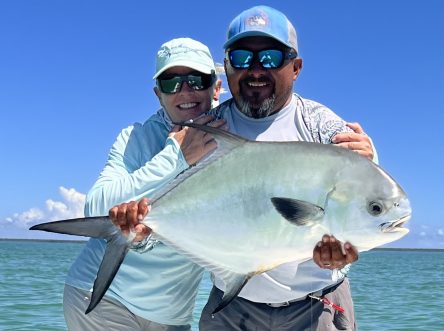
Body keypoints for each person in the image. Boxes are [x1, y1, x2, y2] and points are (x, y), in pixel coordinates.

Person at [114, 5, 377, 330]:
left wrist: (370, 161)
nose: (255, 69)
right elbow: (168, 213)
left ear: (295, 68)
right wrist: (140, 234)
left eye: (270, 57)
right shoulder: (205, 130)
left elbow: (364, 195)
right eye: (241, 58)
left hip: (317, 306)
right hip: (231, 307)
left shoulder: (321, 126)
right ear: (226, 66)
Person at [62, 37, 224, 330]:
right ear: (157, 94)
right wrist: (175, 157)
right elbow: (95, 206)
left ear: (216, 87)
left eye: (196, 80)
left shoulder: (234, 137)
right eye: (171, 83)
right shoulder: (134, 138)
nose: (184, 91)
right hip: (101, 299)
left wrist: (333, 145)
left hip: (172, 316)